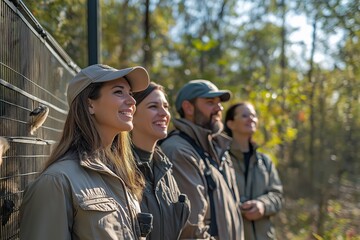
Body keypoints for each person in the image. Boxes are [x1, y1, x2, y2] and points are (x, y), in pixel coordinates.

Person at [20, 64, 150, 240]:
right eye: (119, 92)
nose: (132, 101)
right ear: (90, 104)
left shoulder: (122, 176)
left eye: (131, 94)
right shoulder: (56, 181)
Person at [160, 79, 244, 240]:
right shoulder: (179, 151)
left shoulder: (218, 150)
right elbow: (191, 228)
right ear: (188, 107)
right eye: (210, 102)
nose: (219, 108)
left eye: (219, 103)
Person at [131, 82, 190, 240]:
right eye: (153, 106)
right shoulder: (117, 169)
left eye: (166, 106)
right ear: (131, 114)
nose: (164, 113)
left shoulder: (165, 170)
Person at [224, 102, 284, 240]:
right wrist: (239, 208)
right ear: (230, 124)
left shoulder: (265, 161)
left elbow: (278, 196)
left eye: (253, 115)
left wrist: (263, 205)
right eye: (245, 115)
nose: (251, 119)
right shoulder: (221, 160)